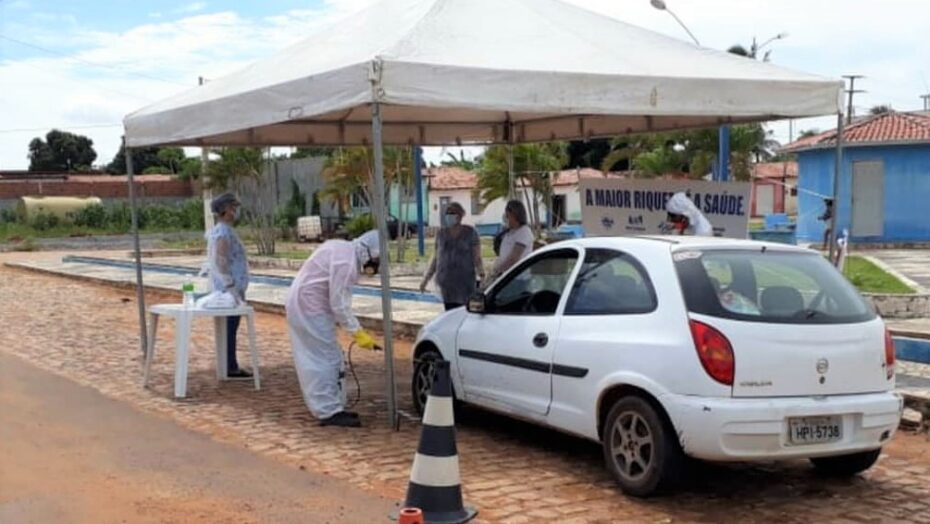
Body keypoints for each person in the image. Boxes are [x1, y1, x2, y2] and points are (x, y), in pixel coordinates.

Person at [285, 230, 381, 428]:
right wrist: (358, 333)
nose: (374, 264)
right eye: (377, 258)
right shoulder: (346, 263)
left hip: (305, 304)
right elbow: (339, 304)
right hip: (310, 308)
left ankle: (332, 407)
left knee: (327, 356)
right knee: (325, 359)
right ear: (369, 251)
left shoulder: (341, 248)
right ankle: (328, 411)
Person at [205, 193, 252, 379]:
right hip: (229, 290)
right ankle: (230, 366)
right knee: (229, 328)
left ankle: (229, 363)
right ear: (224, 211)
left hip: (231, 287)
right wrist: (230, 285)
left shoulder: (222, 230)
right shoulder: (223, 232)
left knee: (230, 328)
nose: (235, 212)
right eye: (232, 208)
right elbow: (221, 260)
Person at [419, 202, 484, 310]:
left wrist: (482, 275)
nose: (449, 215)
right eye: (447, 213)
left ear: (460, 215)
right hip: (446, 283)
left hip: (465, 283)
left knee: (464, 312)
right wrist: (426, 279)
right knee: (449, 312)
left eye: (452, 213)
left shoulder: (471, 233)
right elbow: (436, 258)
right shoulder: (441, 234)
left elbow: (477, 257)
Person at [488, 200, 534, 282]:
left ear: (515, 215)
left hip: (518, 279)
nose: (506, 218)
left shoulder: (524, 232)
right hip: (507, 277)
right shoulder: (509, 232)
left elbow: (513, 258)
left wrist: (497, 271)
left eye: (507, 215)